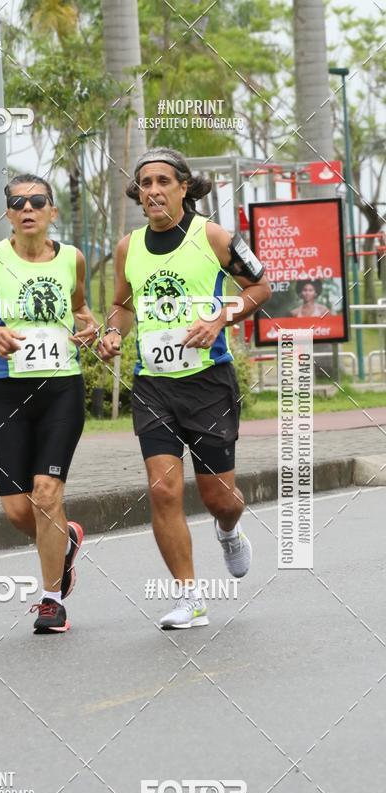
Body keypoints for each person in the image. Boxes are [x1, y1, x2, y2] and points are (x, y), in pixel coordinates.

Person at [99, 147, 272, 629]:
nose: (152, 190)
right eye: (144, 183)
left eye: (162, 181)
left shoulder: (214, 237)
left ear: (183, 187)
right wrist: (113, 332)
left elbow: (260, 287)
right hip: (153, 384)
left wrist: (221, 317)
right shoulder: (126, 247)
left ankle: (229, 530)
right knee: (164, 490)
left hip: (209, 383)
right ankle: (189, 597)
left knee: (220, 498)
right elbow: (121, 304)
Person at [0, 174, 100, 633]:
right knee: (19, 511)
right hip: (9, 391)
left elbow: (82, 311)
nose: (28, 208)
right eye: (18, 202)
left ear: (51, 211)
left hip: (62, 389)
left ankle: (50, 600)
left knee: (46, 494)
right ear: (8, 214)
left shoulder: (72, 260)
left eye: (37, 201)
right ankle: (67, 542)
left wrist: (90, 328)